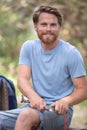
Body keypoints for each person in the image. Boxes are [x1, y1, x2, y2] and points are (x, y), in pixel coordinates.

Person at [0, 5, 87, 130]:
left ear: (59, 27)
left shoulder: (71, 53)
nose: (48, 29)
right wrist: (33, 96)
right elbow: (22, 79)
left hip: (59, 113)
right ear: (36, 27)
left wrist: (65, 101)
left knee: (26, 115)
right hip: (33, 108)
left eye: (53, 25)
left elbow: (83, 90)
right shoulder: (28, 47)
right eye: (44, 24)